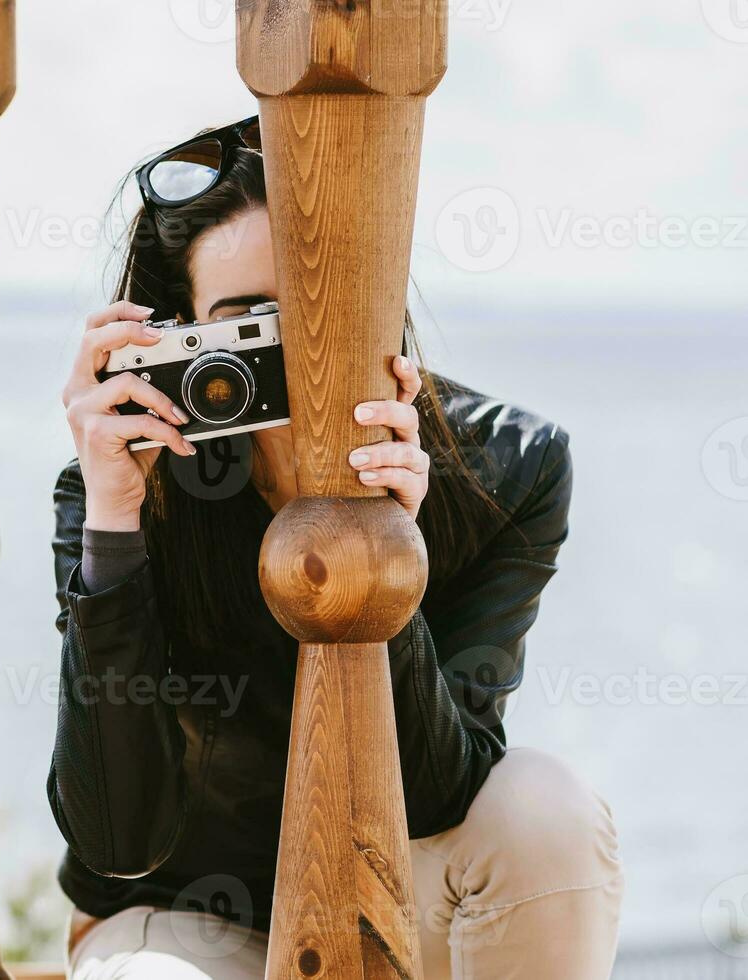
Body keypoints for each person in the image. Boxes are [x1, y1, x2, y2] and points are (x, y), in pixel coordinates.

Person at [49, 116, 624, 979]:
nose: (301, 354)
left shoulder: (504, 470)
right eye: (249, 326)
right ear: (178, 339)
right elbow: (116, 839)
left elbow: (436, 799)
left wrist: (385, 559)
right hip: (188, 916)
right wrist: (114, 524)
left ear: (380, 296)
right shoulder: (134, 491)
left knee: (545, 809)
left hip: (399, 888)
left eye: (317, 311)